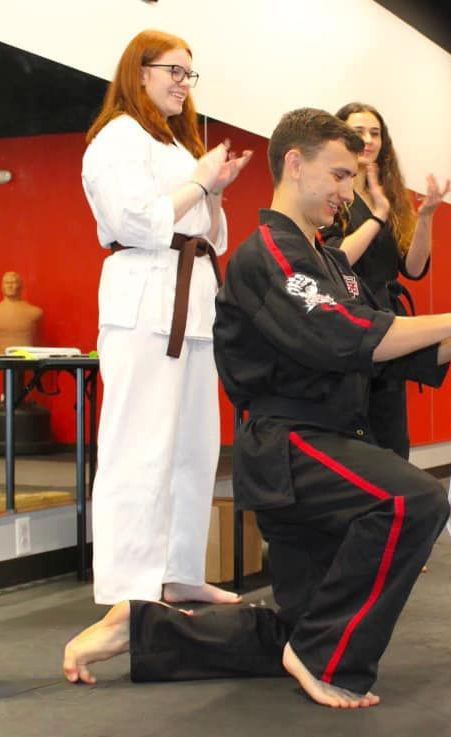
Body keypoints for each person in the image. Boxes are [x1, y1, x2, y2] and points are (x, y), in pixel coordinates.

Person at [63, 107, 451, 709]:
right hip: (291, 446)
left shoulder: (327, 262)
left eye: (353, 178)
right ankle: (327, 660)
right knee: (413, 499)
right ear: (294, 165)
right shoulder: (269, 256)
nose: (346, 192)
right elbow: (344, 334)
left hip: (325, 443)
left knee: (298, 624)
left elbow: (384, 350)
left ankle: (143, 625)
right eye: (337, 175)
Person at [81, 30, 252, 605]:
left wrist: (217, 190)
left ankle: (178, 570)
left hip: (193, 306)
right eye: (173, 71)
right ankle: (128, 586)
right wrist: (200, 180)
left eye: (188, 73)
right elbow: (136, 221)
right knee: (138, 447)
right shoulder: (117, 139)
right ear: (140, 72)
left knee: (193, 449)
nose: (183, 83)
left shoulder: (177, 147)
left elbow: (210, 235)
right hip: (145, 303)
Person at [320, 102, 451, 459]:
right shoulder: (333, 195)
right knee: (355, 435)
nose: (368, 140)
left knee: (392, 436)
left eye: (375, 133)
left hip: (389, 319)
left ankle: (394, 511)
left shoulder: (391, 195)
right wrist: (376, 218)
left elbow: (413, 267)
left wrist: (425, 218)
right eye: (359, 131)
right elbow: (338, 258)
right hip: (351, 319)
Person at [0, 271, 43, 353]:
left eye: (13, 282)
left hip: (25, 362)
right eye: (7, 283)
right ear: (2, 286)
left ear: (20, 286)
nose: (10, 286)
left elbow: (39, 341)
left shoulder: (34, 312)